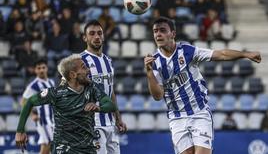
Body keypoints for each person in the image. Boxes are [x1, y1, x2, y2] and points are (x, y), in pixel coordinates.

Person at [144, 17, 261, 154]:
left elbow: (221, 54)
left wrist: (245, 54)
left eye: (162, 30)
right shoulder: (155, 61)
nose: (158, 34)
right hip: (177, 118)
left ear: (173, 34)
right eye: (155, 31)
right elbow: (158, 96)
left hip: (199, 112)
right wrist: (149, 74)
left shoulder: (187, 51)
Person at [16, 54, 117, 153]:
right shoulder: (56, 93)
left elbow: (111, 105)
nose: (88, 70)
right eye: (83, 67)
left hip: (87, 148)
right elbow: (29, 102)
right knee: (45, 146)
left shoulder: (92, 88)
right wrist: (20, 131)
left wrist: (98, 108)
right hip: (63, 149)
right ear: (73, 75)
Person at [81, 20, 127, 154]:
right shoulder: (79, 61)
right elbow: (66, 90)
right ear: (85, 38)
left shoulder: (108, 61)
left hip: (110, 123)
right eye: (92, 34)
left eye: (99, 33)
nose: (96, 37)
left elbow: (111, 92)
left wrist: (118, 118)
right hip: (92, 123)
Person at [21, 58, 55, 154]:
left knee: (46, 146)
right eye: (38, 68)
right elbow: (23, 101)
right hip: (43, 120)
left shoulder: (51, 82)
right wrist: (32, 115)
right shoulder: (34, 85)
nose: (41, 70)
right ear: (35, 70)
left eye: (43, 67)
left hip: (52, 118)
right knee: (51, 144)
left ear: (47, 68)